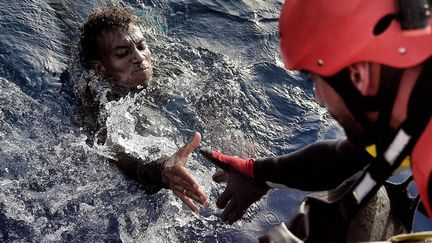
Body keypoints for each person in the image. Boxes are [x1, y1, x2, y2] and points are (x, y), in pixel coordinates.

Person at [200, 0, 432, 241]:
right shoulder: (409, 111)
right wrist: (257, 172)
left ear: (359, 76)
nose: (318, 97)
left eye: (313, 78)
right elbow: (342, 160)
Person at [76, 5, 208, 213]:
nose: (138, 57)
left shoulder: (171, 69)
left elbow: (207, 104)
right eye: (122, 53)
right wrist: (162, 171)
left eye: (141, 46)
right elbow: (115, 153)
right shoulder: (96, 101)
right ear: (100, 68)